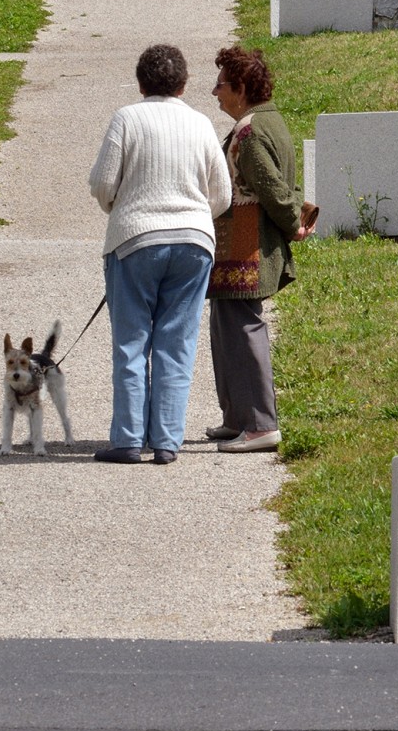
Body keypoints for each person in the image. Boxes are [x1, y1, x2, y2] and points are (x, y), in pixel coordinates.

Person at [88, 43, 232, 466]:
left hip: (135, 240)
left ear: (140, 84)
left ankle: (129, 439)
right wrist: (194, 215)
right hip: (194, 242)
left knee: (132, 342)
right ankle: (167, 441)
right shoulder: (201, 123)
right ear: (184, 85)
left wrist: (120, 208)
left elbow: (102, 184)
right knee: (177, 342)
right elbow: (222, 194)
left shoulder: (127, 119)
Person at [207, 45, 312, 454]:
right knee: (226, 327)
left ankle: (260, 425)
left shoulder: (250, 131)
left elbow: (272, 188)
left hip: (246, 247)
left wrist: (293, 223)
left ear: (241, 88)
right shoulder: (270, 121)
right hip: (240, 245)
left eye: (221, 85)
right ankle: (237, 418)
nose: (215, 92)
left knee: (243, 329)